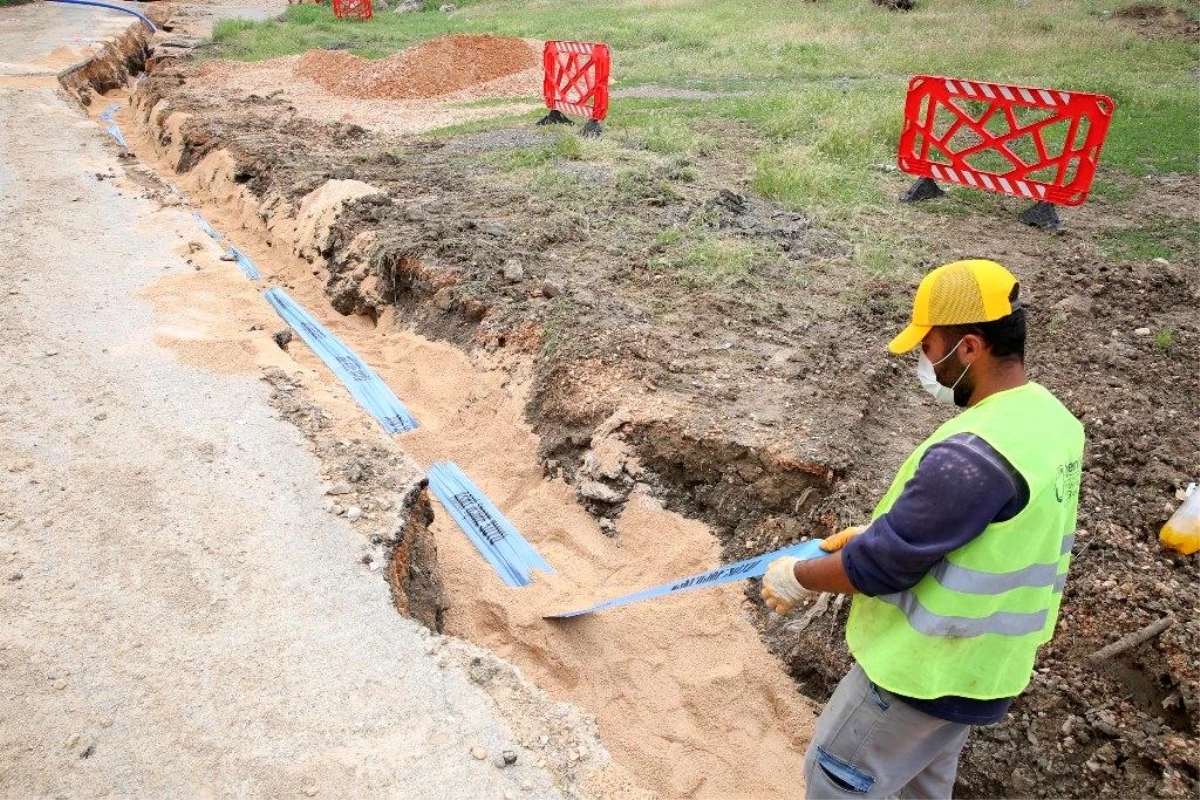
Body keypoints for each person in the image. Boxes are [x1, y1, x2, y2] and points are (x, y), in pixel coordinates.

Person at [762, 259, 1084, 799]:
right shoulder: (1051, 421)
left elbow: (878, 568)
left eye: (929, 347)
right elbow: (999, 524)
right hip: (983, 670)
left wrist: (799, 577)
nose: (925, 362)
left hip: (920, 675)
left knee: (837, 777)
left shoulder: (972, 456)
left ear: (970, 348)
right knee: (921, 783)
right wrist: (896, 528)